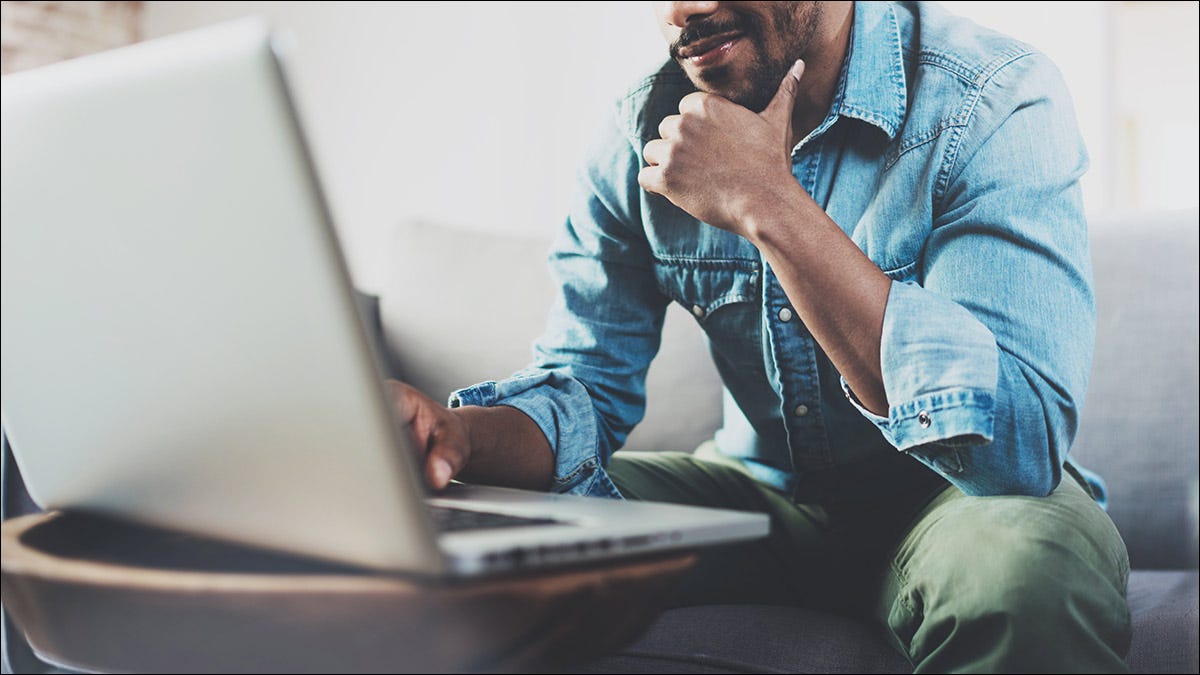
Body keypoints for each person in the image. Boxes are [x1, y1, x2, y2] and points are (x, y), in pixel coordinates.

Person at [390, 2, 1131, 671]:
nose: (686, 9)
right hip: (755, 496)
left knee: (1029, 569)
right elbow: (585, 385)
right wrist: (457, 435)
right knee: (471, 529)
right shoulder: (639, 132)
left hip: (955, 498)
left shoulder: (990, 98)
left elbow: (1021, 443)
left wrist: (768, 201)